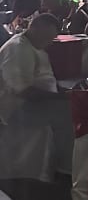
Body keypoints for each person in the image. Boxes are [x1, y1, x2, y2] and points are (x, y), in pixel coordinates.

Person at [0, 13, 73, 171]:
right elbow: (22, 90)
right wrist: (60, 97)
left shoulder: (33, 46)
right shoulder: (18, 49)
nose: (49, 43)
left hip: (38, 100)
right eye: (46, 37)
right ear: (34, 29)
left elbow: (46, 78)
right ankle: (65, 166)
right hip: (16, 109)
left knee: (74, 105)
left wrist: (65, 92)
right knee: (68, 112)